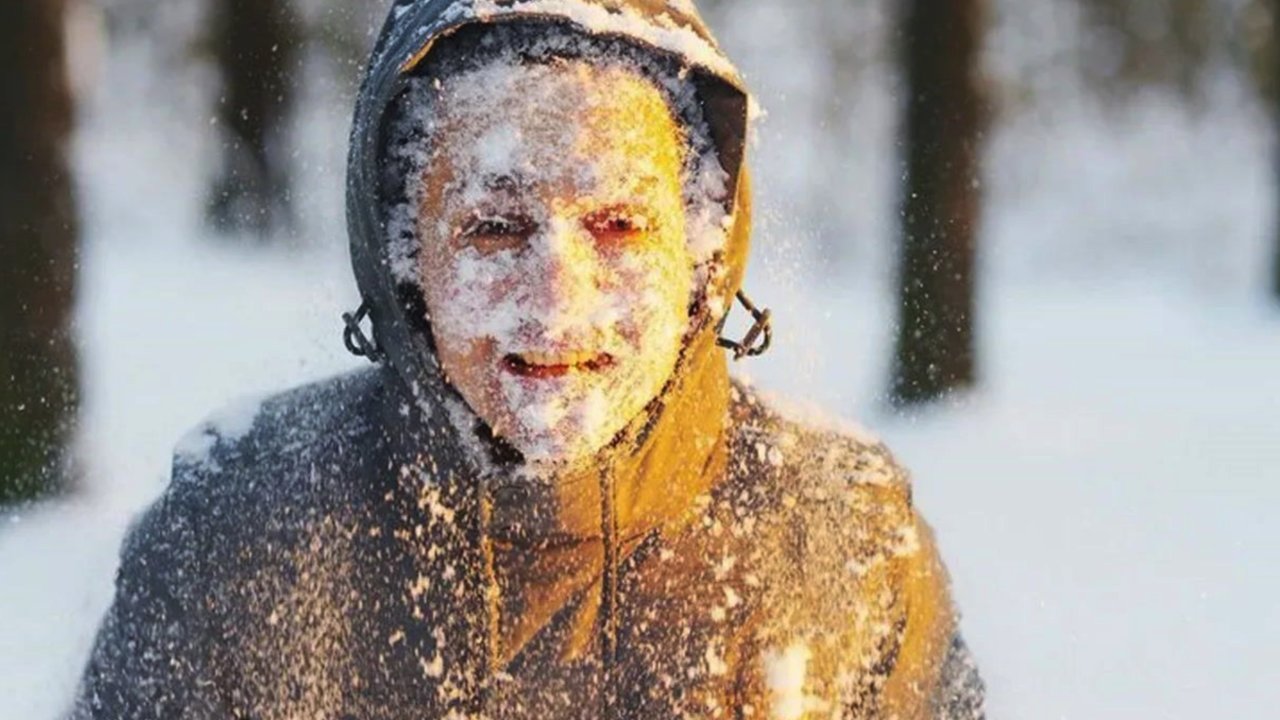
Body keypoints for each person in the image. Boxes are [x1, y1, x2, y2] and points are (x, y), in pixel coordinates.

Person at [71, 1, 985, 718]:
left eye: (620, 225)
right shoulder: (239, 535)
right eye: (495, 228)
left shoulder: (837, 536)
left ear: (702, 248)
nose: (559, 302)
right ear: (404, 252)